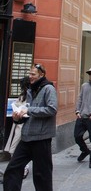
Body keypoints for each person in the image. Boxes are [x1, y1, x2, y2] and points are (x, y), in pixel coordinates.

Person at [3, 63, 58, 191]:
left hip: (41, 139)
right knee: (12, 169)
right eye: (29, 74)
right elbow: (28, 113)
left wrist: (28, 110)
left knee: (42, 176)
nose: (30, 76)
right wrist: (18, 119)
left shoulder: (48, 89)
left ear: (41, 74)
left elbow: (52, 109)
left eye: (33, 74)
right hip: (26, 137)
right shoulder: (30, 90)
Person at [3, 77, 31, 180]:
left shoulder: (30, 96)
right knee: (14, 146)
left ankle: (24, 167)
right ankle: (20, 167)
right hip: (17, 123)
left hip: (23, 124)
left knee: (16, 146)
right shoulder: (23, 96)